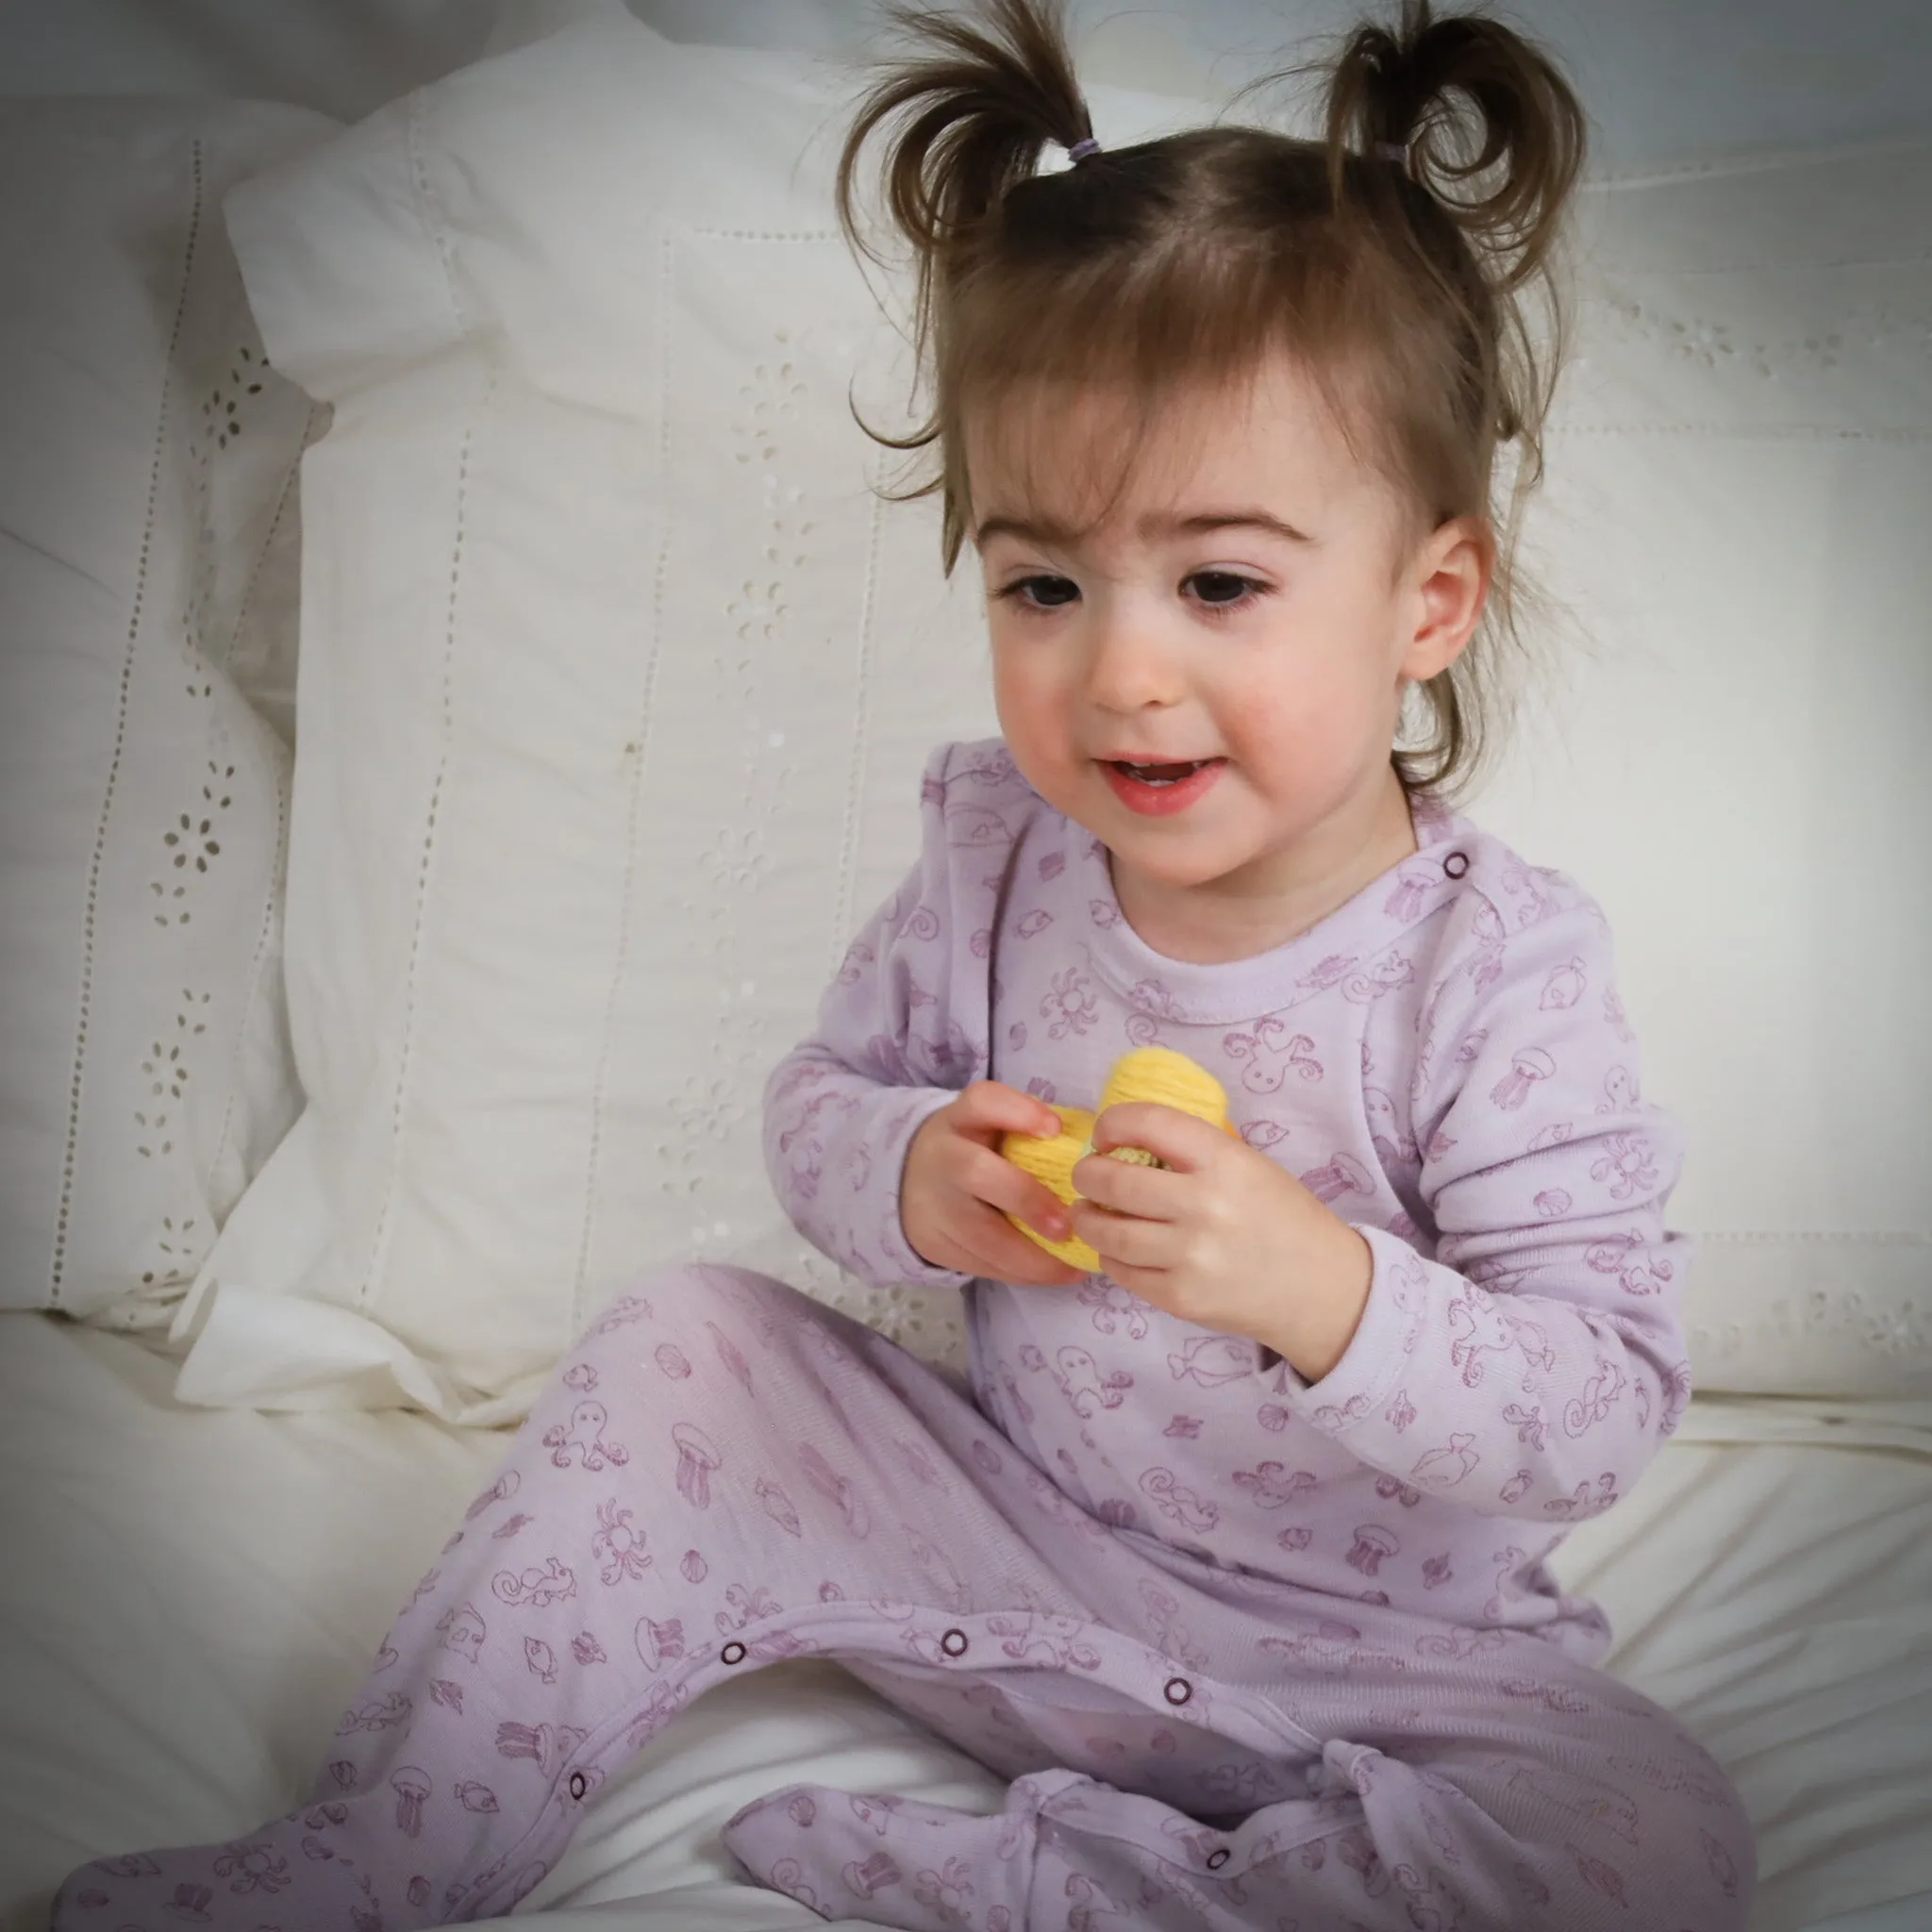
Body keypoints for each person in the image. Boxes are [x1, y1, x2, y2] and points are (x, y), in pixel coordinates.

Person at [51, 2, 1757, 1926]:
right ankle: (376, 1855)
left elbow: (1599, 1402)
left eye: (1218, 583)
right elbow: (821, 1108)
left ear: (1424, 600)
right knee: (692, 1341)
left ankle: (1049, 1880)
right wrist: (914, 1176)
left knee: (1653, 1841)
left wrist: (1324, 1288)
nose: (1120, 669)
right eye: (1044, 583)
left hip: (1389, 1663)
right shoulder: (997, 853)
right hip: (1009, 1556)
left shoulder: (1491, 970)